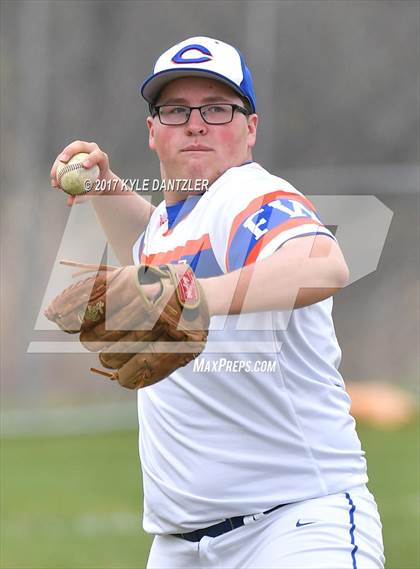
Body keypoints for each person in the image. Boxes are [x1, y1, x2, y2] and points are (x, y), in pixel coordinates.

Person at [51, 37, 384, 569]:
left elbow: (324, 264)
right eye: (176, 110)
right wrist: (104, 187)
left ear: (250, 128)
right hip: (182, 545)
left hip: (292, 528)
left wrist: (194, 296)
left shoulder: (247, 195)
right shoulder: (170, 219)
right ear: (153, 131)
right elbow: (148, 248)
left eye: (217, 108)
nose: (196, 123)